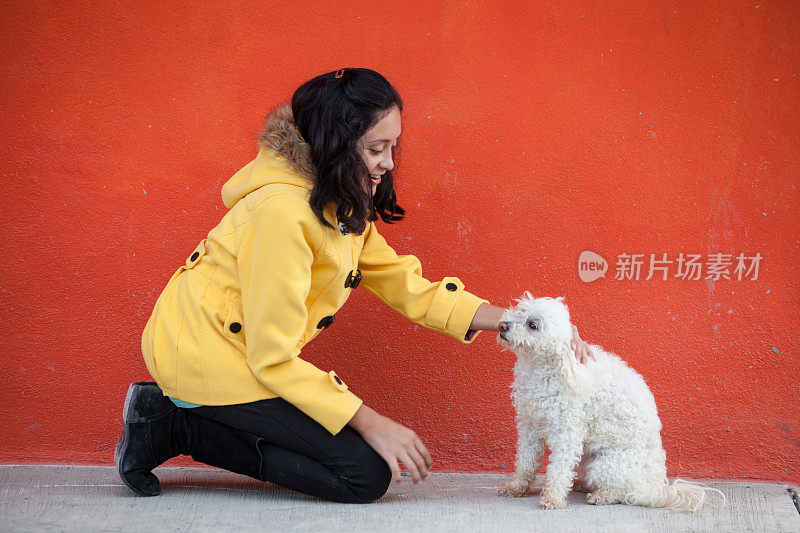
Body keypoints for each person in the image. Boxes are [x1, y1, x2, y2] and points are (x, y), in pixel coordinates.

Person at [116, 68, 594, 504]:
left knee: (361, 470)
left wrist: (523, 322)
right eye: (374, 148)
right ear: (335, 144)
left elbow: (407, 286)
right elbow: (271, 356)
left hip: (244, 350)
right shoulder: (283, 214)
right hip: (206, 355)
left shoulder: (337, 203)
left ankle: (183, 420)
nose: (387, 163)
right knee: (362, 475)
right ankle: (172, 424)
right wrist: (372, 422)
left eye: (392, 147)